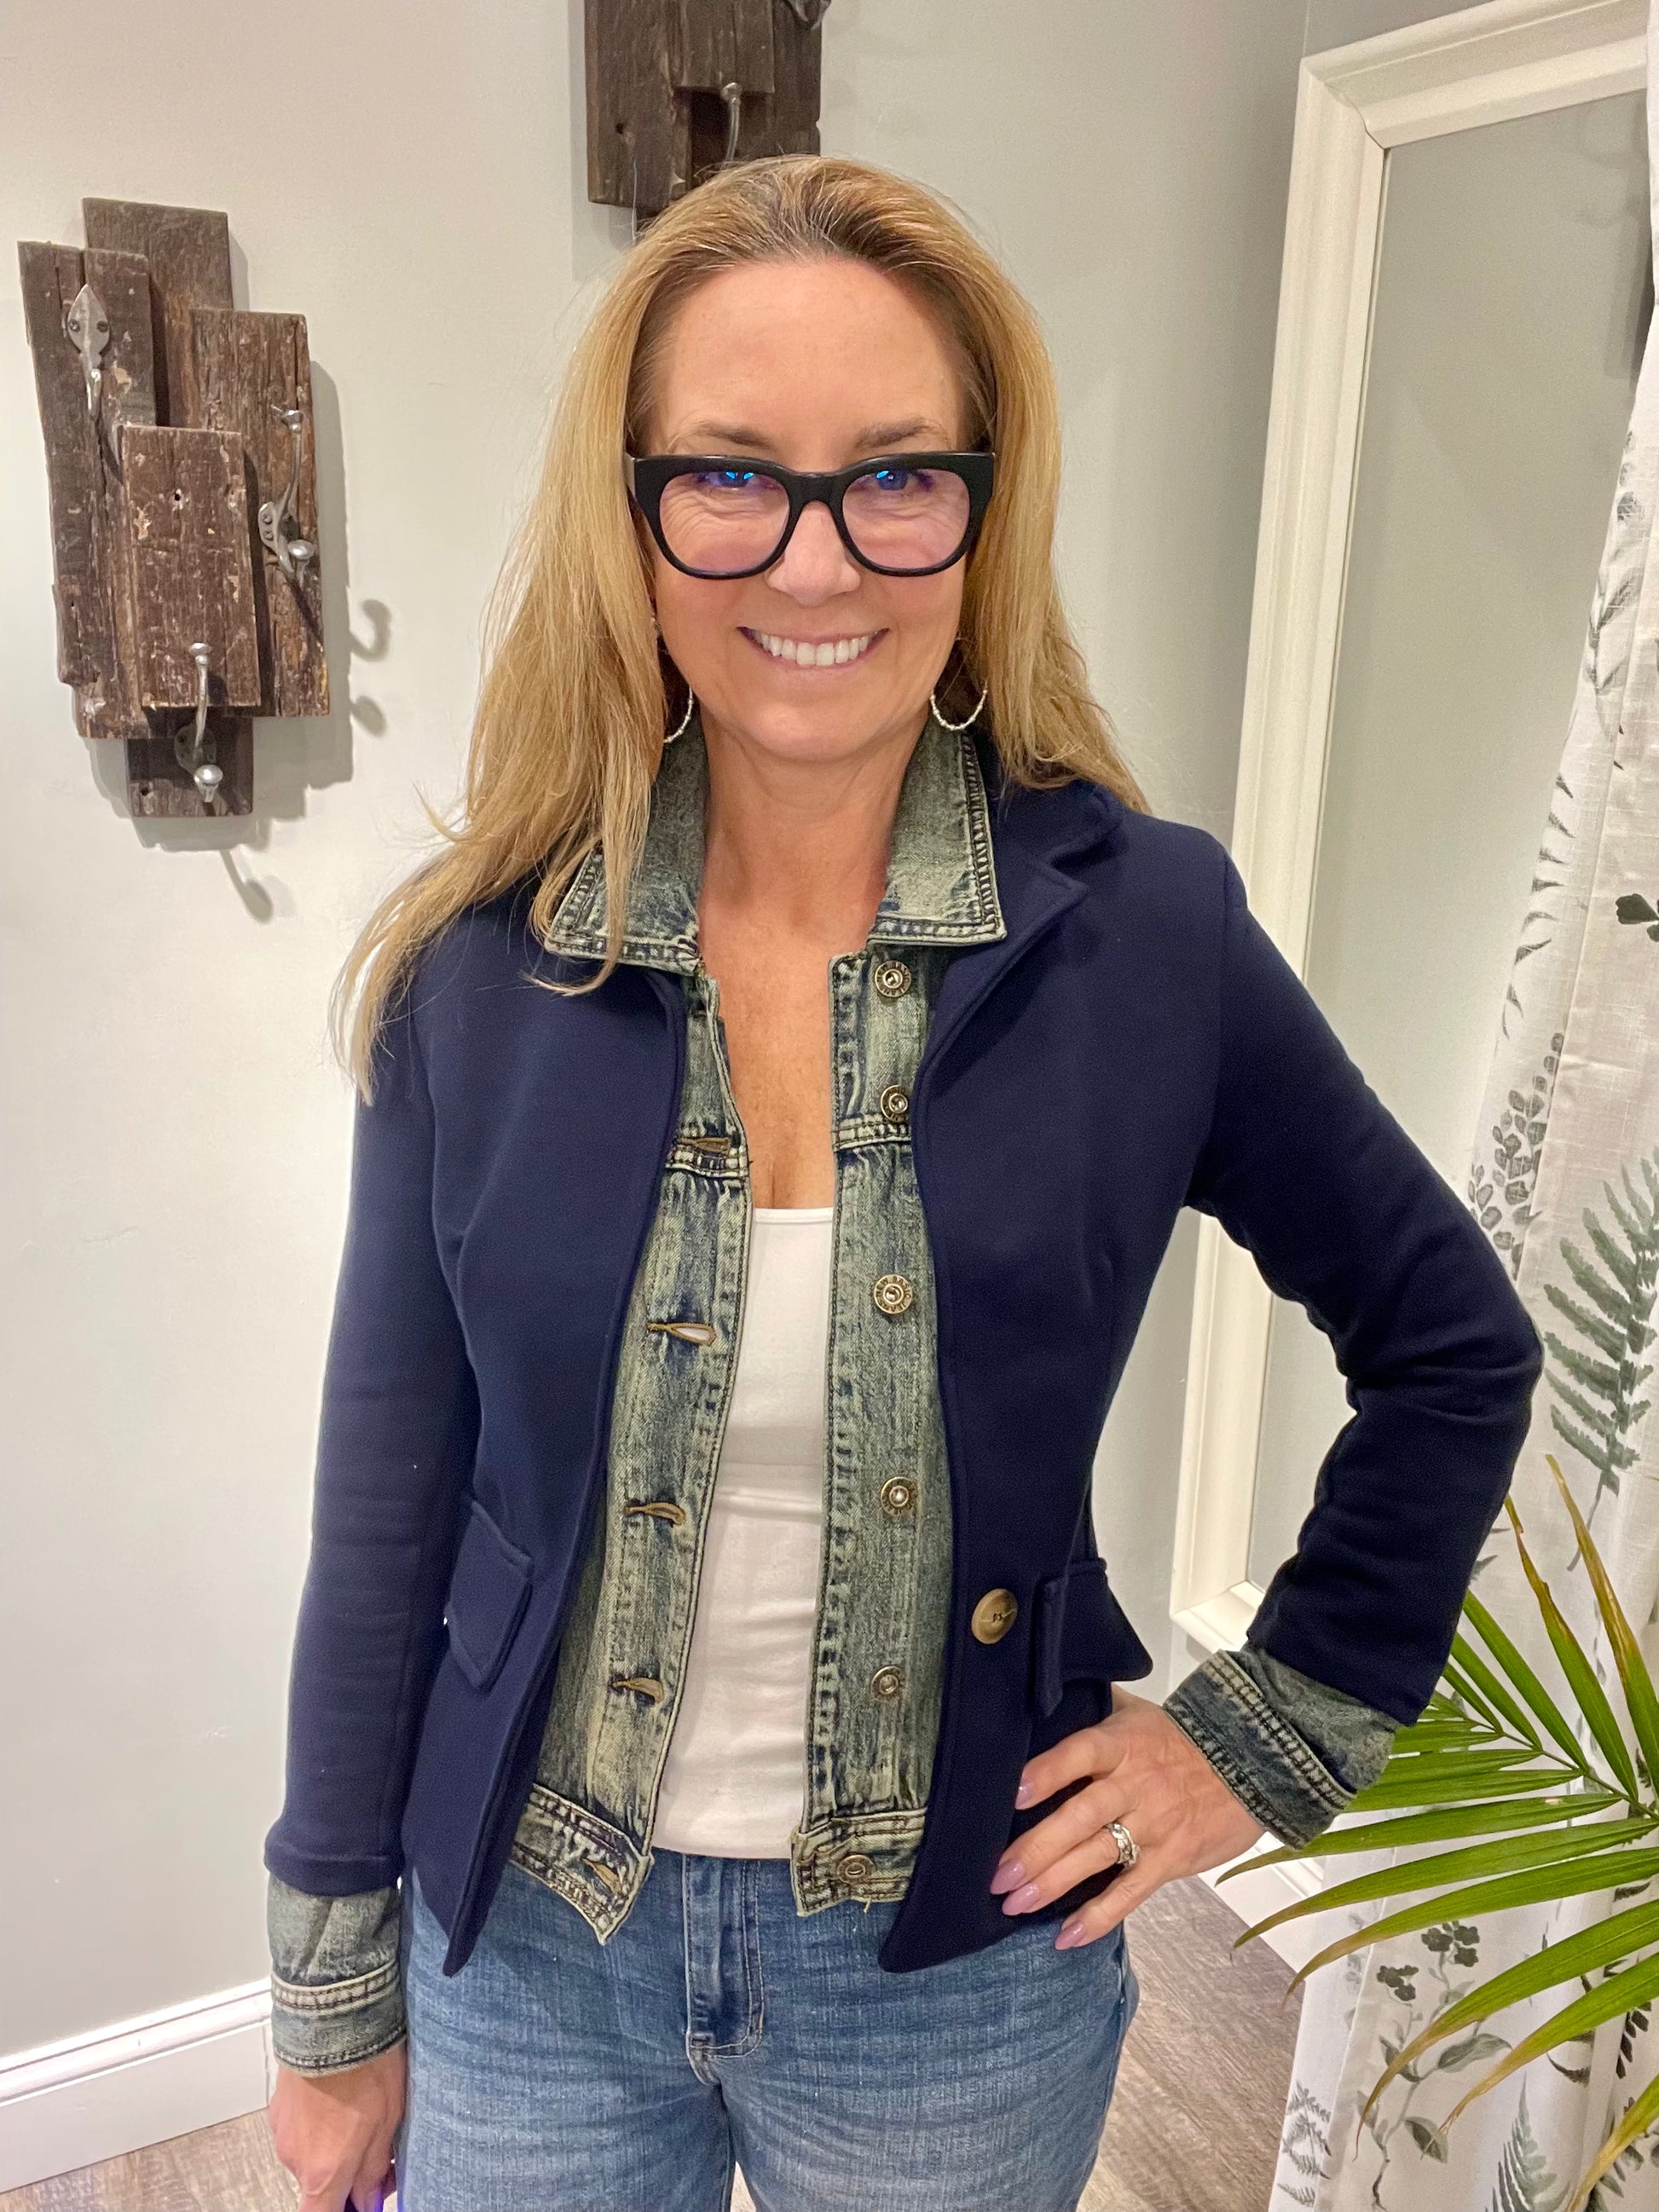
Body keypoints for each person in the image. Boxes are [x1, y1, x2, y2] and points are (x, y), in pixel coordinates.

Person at [262, 154, 1543, 2212]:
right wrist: (330, 1995)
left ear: (979, 506)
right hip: (531, 1945)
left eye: (893, 476)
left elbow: (1452, 1341)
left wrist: (1264, 1731)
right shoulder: (482, 968)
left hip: (951, 1964)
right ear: (632, 511)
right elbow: (384, 1498)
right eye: (729, 474)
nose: (816, 555)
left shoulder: (1146, 933)